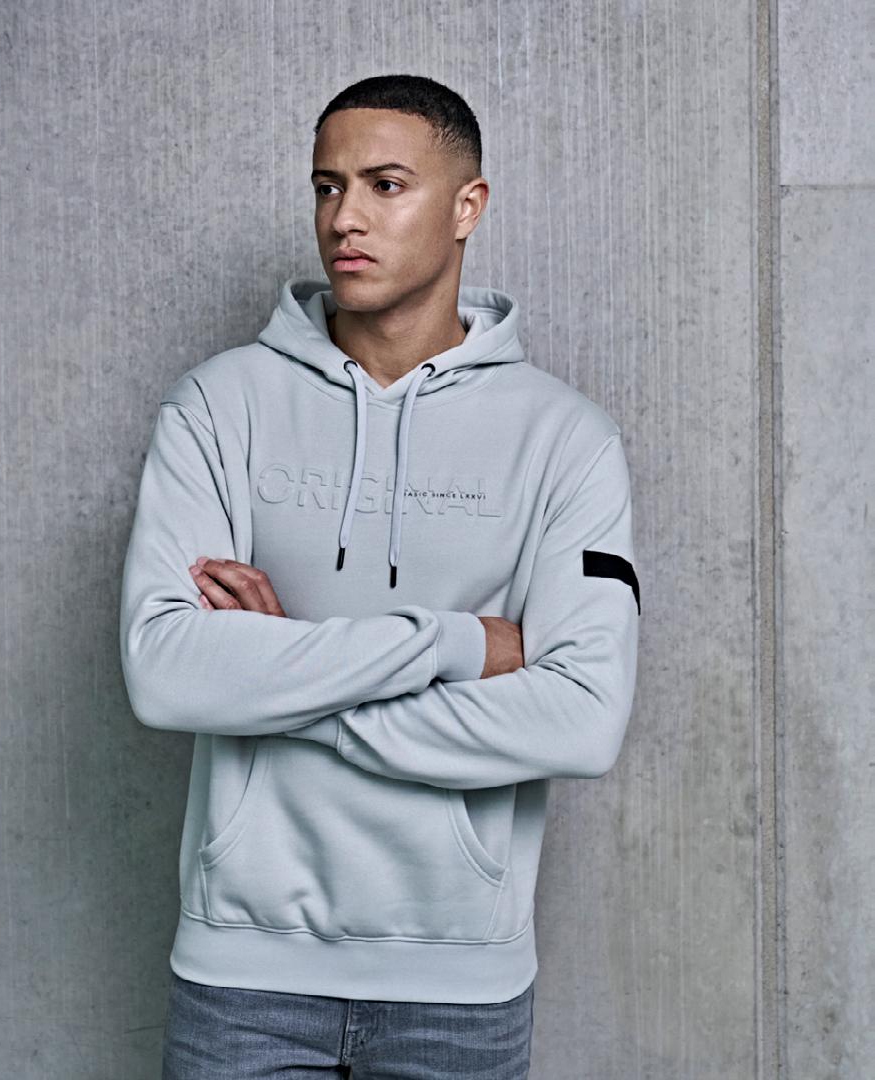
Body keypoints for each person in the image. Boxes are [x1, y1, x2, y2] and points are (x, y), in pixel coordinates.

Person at [120, 73, 642, 1079]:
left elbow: (579, 719)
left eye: (384, 185)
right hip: (240, 978)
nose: (343, 218)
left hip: (460, 989)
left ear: (466, 206)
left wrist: (274, 679)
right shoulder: (216, 407)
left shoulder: (565, 440)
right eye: (327, 186)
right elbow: (166, 675)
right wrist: (453, 642)